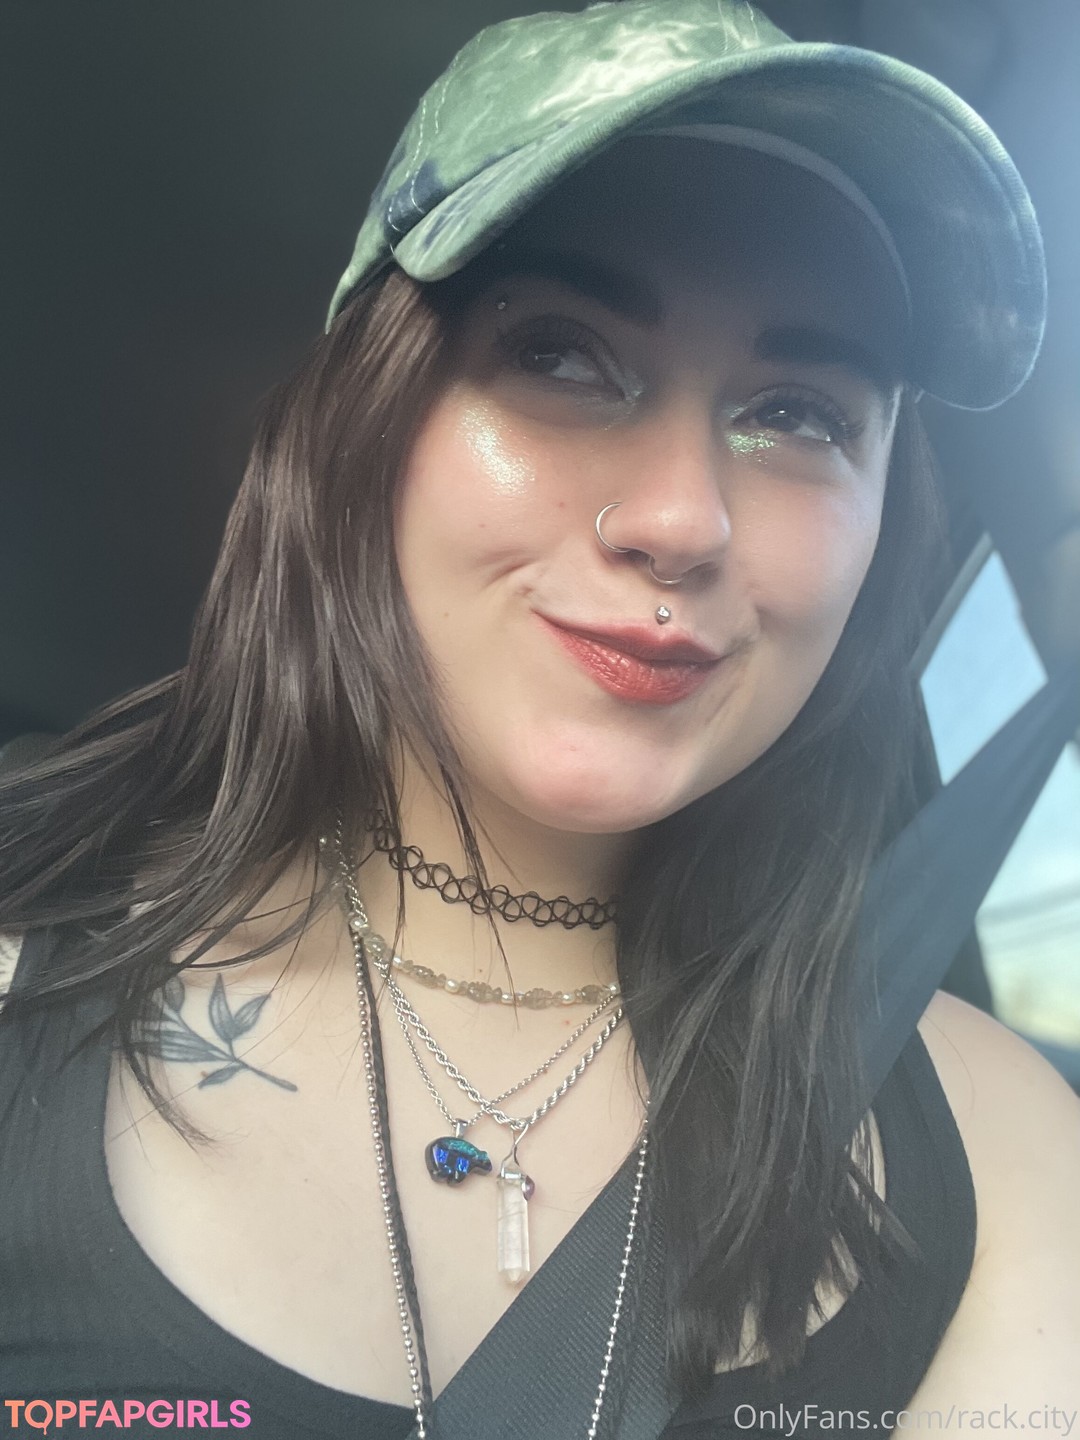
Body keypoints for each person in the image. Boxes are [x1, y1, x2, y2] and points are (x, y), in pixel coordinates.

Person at [1, 1, 1078, 1436]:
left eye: (802, 414)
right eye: (563, 356)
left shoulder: (1004, 1150)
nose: (682, 519)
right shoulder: (23, 968)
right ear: (363, 426)